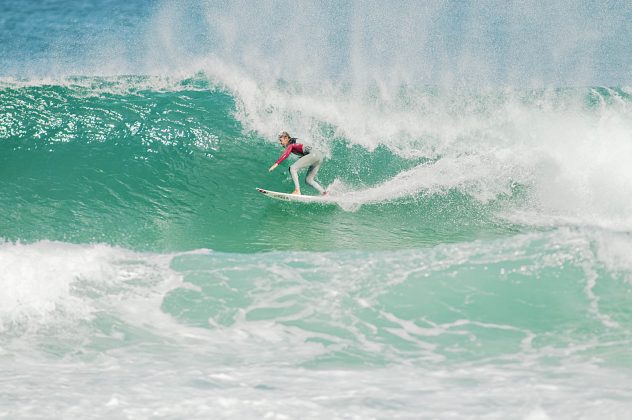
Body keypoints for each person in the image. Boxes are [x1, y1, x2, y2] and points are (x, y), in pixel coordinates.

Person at [268, 131, 327, 195]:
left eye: (281, 140)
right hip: (319, 156)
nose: (281, 143)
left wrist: (275, 164)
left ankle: (297, 191)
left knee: (292, 168)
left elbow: (286, 154)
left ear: (286, 138)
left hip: (313, 155)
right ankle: (323, 192)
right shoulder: (295, 141)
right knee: (309, 180)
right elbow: (306, 148)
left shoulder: (291, 144)